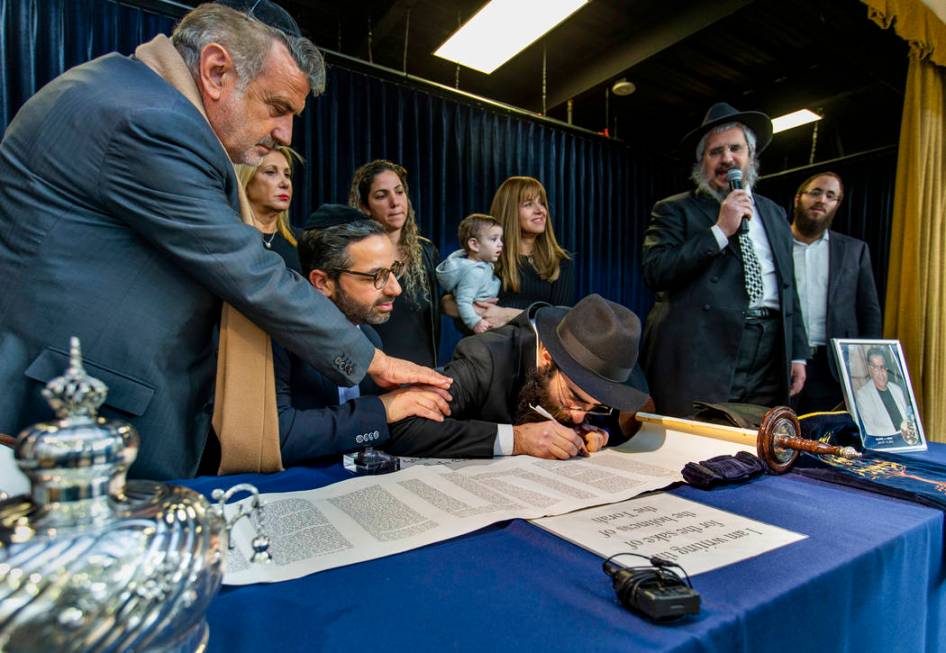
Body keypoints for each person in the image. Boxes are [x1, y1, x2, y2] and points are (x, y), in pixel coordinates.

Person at [0, 3, 448, 481]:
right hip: (64, 429)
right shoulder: (150, 120)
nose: (284, 134)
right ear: (216, 72)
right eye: (277, 109)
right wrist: (372, 361)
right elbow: (246, 269)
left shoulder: (127, 92)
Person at [640, 102, 808, 417]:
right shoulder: (674, 209)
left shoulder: (774, 213)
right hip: (705, 350)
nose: (727, 158)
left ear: (751, 156)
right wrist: (720, 230)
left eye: (735, 148)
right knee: (702, 442)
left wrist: (798, 353)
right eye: (715, 152)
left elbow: (789, 288)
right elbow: (656, 270)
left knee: (756, 441)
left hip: (769, 351)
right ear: (702, 162)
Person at [275, 205, 454, 464]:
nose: (395, 289)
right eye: (376, 276)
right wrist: (384, 409)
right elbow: (281, 437)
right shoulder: (279, 340)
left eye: (393, 270)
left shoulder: (370, 337)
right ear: (322, 282)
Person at [388, 294, 653, 460]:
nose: (578, 415)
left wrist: (594, 430)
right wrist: (517, 439)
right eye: (574, 397)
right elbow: (404, 428)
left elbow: (608, 419)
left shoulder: (593, 364)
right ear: (547, 356)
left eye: (594, 406)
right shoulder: (485, 359)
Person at [790, 172, 882, 413]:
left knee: (826, 440)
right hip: (781, 359)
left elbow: (869, 311)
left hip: (833, 366)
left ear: (837, 204)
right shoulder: (774, 244)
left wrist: (870, 365)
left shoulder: (854, 250)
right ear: (798, 198)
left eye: (831, 196)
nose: (822, 200)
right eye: (816, 192)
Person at [444, 176, 575, 332]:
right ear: (509, 211)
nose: (540, 210)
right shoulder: (487, 254)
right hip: (485, 350)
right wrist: (479, 312)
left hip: (533, 353)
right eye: (528, 204)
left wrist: (507, 315)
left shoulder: (560, 261)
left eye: (542, 203)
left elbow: (562, 320)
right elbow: (446, 303)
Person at [347, 160, 442, 367]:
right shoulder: (354, 256)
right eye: (382, 195)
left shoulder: (426, 251)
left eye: (399, 192)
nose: (395, 202)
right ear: (365, 207)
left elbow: (440, 305)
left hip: (423, 373)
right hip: (376, 374)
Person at [237, 145, 303, 272]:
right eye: (271, 172)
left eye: (287, 174)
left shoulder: (304, 242)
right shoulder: (229, 238)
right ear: (246, 180)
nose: (285, 183)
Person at [436, 214, 504, 334]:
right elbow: (463, 301)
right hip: (480, 327)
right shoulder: (474, 272)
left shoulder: (483, 266)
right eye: (494, 239)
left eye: (500, 239)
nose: (500, 244)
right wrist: (475, 322)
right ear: (474, 244)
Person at [854, 347, 915, 442]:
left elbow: (907, 420)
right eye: (875, 368)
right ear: (869, 370)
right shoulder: (863, 394)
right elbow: (869, 429)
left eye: (882, 367)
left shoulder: (897, 389)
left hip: (905, 440)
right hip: (884, 443)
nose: (881, 372)